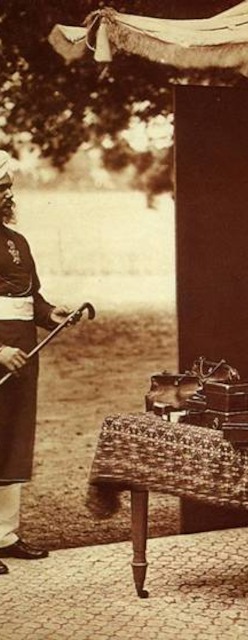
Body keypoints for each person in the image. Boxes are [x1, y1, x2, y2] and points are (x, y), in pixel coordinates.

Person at [0, 151, 71, 575]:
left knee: (12, 442)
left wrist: (50, 315)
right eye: (0, 188)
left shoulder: (17, 242)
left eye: (7, 188)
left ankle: (4, 536)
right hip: (1, 356)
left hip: (24, 357)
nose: (7, 195)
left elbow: (31, 299)